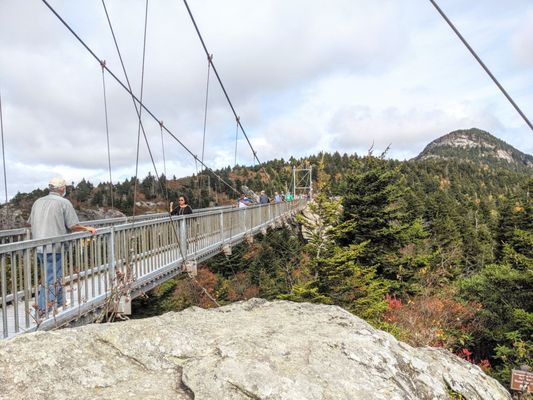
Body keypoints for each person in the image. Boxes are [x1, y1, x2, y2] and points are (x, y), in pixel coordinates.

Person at [27, 177, 97, 315]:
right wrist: (86, 228)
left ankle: (58, 303)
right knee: (52, 278)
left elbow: (30, 222)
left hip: (39, 246)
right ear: (61, 189)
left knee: (53, 275)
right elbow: (73, 225)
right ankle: (43, 311)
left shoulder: (37, 202)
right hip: (55, 247)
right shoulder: (64, 202)